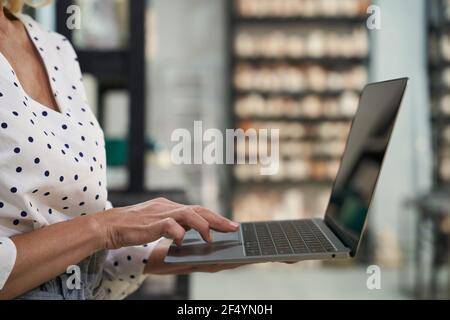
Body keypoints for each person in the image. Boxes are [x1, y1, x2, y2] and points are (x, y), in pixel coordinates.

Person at [0, 0, 245, 300]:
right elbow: (95, 231)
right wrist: (106, 227)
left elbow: (74, 240)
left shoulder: (53, 47)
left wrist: (188, 249)